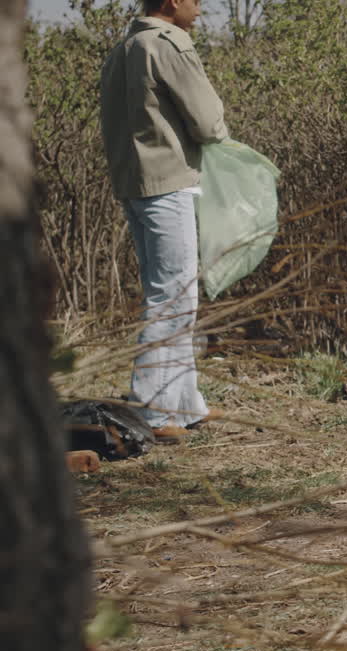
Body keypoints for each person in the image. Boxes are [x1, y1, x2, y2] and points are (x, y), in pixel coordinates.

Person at [99, 0, 227, 441]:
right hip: (167, 184)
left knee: (173, 292)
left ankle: (185, 405)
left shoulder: (125, 47)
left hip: (135, 184)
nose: (202, 6)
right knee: (171, 296)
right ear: (172, 1)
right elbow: (209, 122)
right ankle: (152, 414)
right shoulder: (168, 42)